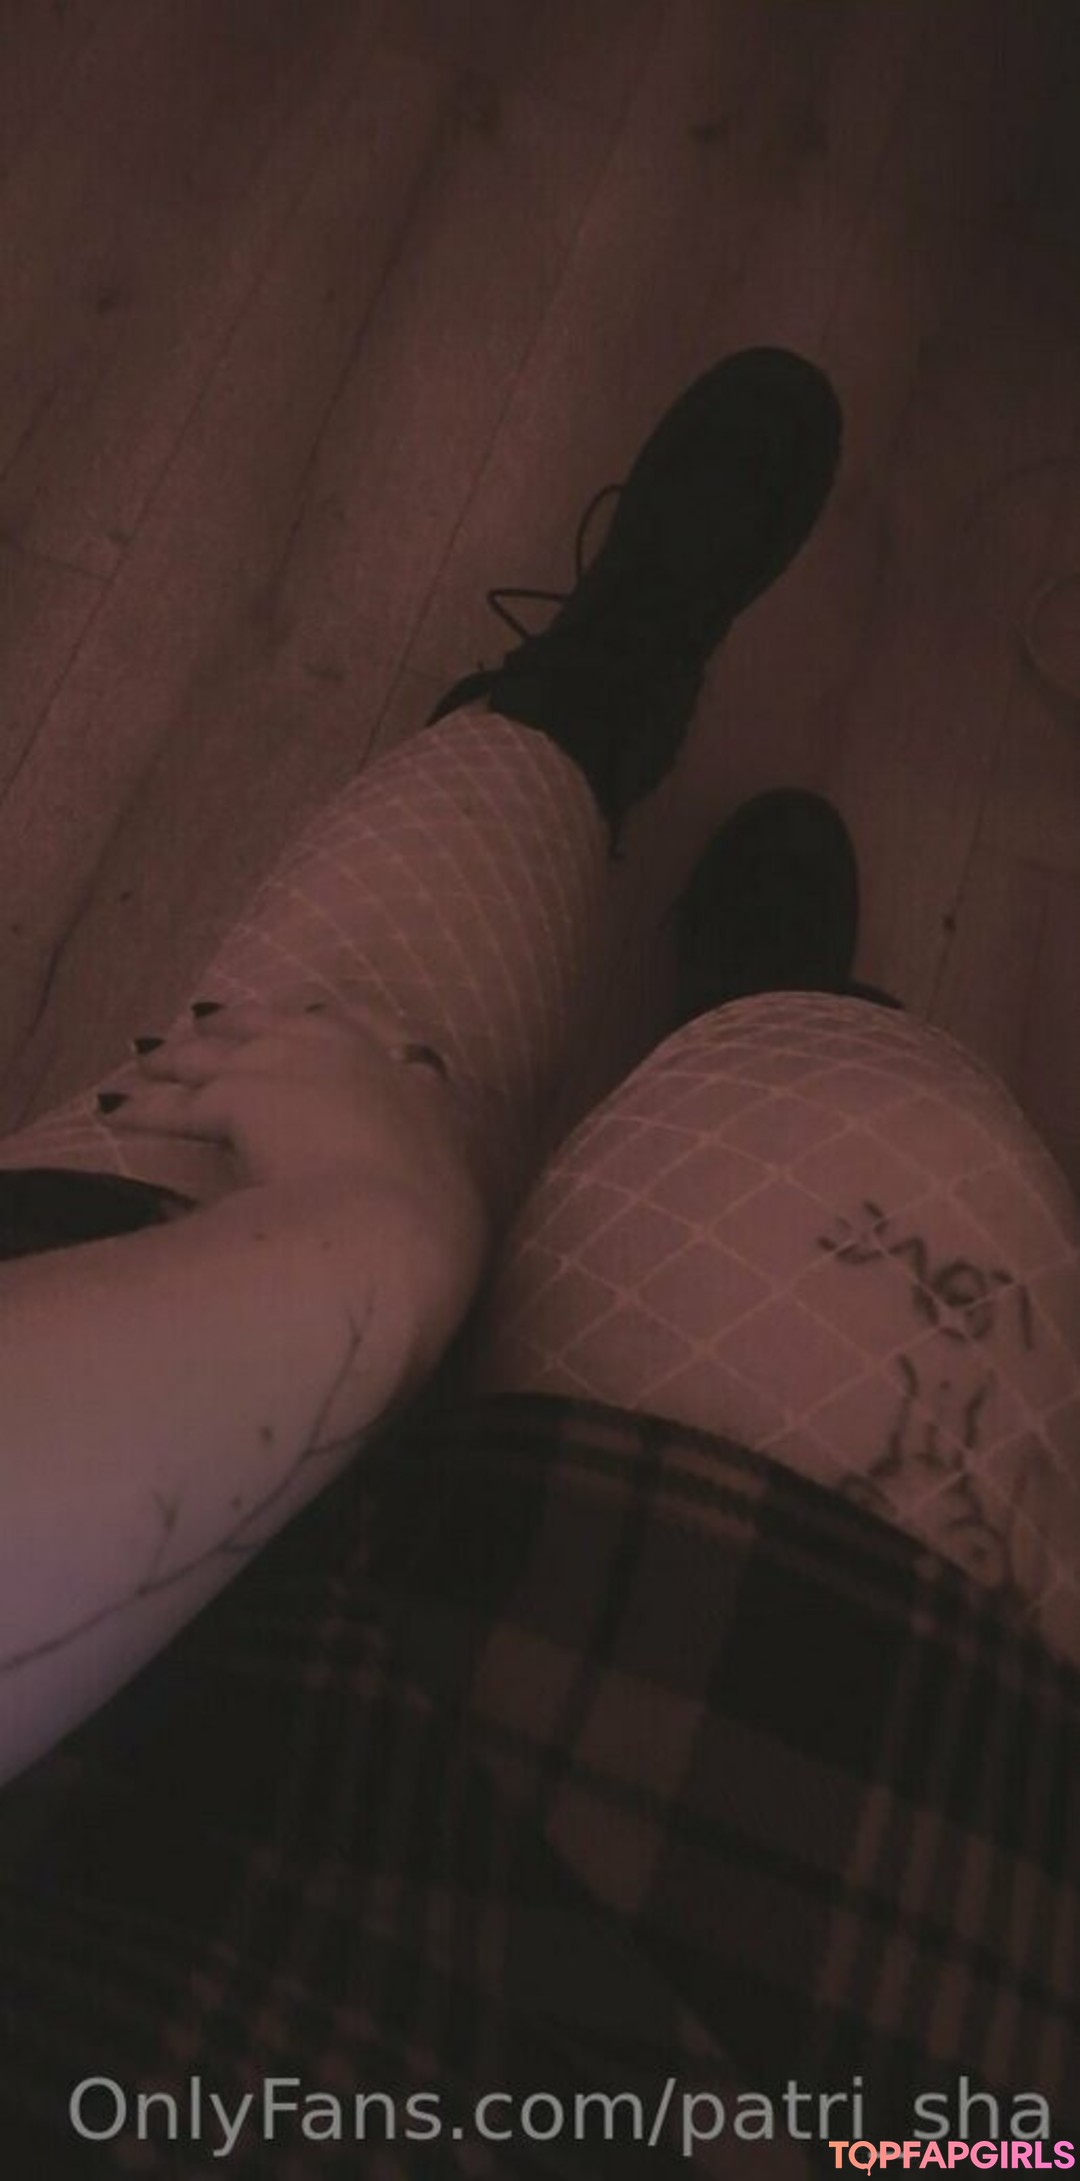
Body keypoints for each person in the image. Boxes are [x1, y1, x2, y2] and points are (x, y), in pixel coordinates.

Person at [0, 350, 1076, 2176]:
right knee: (860, 1113)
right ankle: (755, 995)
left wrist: (366, 1244)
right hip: (770, 2011)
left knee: (323, 1040)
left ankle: (593, 692)